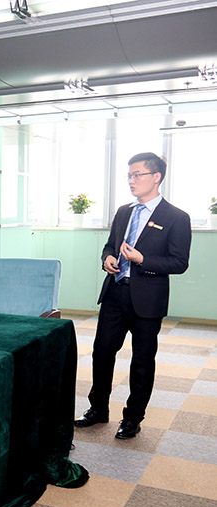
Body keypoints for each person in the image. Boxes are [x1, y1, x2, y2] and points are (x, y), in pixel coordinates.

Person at [75, 152, 191, 439]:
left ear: (156, 177)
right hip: (115, 293)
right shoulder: (124, 211)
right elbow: (109, 245)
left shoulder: (176, 217)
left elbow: (179, 263)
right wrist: (107, 258)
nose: (131, 180)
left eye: (138, 174)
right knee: (102, 353)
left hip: (148, 300)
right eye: (129, 175)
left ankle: (132, 418)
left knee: (141, 361)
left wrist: (142, 260)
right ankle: (98, 409)